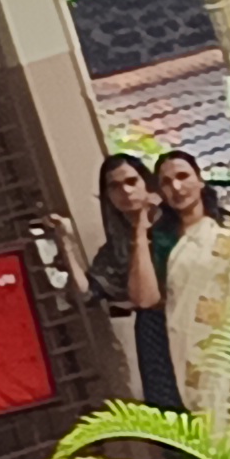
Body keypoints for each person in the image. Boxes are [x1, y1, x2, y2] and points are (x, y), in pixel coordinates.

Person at [147, 149, 230, 421]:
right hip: (195, 347)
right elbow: (152, 297)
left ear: (199, 179)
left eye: (183, 176)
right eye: (167, 182)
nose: (177, 187)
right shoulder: (162, 242)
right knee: (216, 419)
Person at [83, 151, 174, 406]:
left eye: (132, 181)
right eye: (115, 186)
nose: (126, 191)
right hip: (155, 331)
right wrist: (65, 243)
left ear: (146, 182)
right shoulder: (115, 248)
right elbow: (88, 293)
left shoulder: (175, 223)